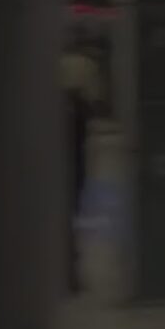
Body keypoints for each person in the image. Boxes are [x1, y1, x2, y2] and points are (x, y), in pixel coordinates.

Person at [60, 29, 103, 294]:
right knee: (73, 210)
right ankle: (71, 274)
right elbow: (95, 103)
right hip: (76, 144)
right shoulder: (88, 66)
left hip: (50, 149)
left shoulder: (53, 64)